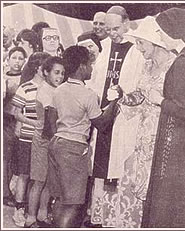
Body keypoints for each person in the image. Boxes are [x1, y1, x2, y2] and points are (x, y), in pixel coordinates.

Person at [90, 16, 176, 228]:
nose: (138, 47)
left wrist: (160, 102)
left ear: (155, 43)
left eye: (141, 43)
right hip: (142, 131)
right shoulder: (147, 66)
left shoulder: (173, 66)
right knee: (139, 179)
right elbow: (139, 94)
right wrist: (122, 95)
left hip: (162, 130)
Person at [141, 8, 185, 228]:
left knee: (169, 193)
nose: (160, 37)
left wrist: (157, 100)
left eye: (161, 32)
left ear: (174, 32)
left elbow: (182, 109)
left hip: (176, 134)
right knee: (184, 193)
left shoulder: (182, 64)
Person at [46, 45, 122, 228]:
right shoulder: (88, 95)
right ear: (81, 66)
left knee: (60, 199)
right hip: (74, 149)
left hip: (57, 143)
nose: (91, 68)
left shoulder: (58, 90)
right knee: (73, 204)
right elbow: (102, 124)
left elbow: (52, 119)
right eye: (89, 64)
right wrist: (114, 101)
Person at [89, 5, 143, 227]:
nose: (112, 33)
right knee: (100, 164)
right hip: (103, 117)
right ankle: (100, 217)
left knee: (119, 164)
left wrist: (121, 94)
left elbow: (139, 85)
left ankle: (119, 217)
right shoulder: (104, 48)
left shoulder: (137, 50)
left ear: (127, 23)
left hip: (124, 118)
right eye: (109, 29)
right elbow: (96, 81)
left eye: (116, 28)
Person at [24, 56, 65, 228]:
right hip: (43, 139)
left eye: (63, 73)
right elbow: (50, 122)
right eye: (56, 72)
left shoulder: (56, 90)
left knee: (49, 180)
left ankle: (42, 214)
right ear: (46, 72)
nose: (60, 77)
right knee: (39, 181)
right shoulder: (45, 91)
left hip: (51, 139)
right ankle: (31, 218)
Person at [11, 52, 51, 227]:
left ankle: (38, 211)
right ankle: (19, 210)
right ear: (38, 68)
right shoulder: (26, 87)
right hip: (27, 138)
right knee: (25, 175)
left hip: (44, 140)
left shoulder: (52, 88)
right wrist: (34, 122)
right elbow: (16, 113)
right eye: (46, 68)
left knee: (40, 177)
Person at [3, 47, 27, 207]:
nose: (17, 62)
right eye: (14, 58)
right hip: (5, 120)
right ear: (8, 59)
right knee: (5, 157)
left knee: (13, 158)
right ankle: (4, 192)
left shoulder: (24, 78)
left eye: (20, 58)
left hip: (17, 121)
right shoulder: (3, 77)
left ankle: (10, 190)